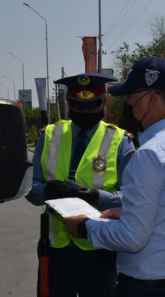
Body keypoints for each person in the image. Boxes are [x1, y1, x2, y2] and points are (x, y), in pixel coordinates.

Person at [63, 56, 165, 297]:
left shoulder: (151, 154)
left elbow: (131, 238)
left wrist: (84, 227)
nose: (128, 104)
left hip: (150, 289)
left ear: (150, 99)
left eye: (130, 97)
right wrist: (128, 210)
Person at [25, 73, 135, 297]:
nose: (85, 112)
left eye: (92, 105)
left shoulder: (120, 142)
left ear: (104, 102)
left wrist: (97, 196)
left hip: (99, 249)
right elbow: (29, 187)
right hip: (55, 252)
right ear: (68, 104)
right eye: (77, 105)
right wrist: (45, 191)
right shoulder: (49, 136)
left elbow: (133, 198)